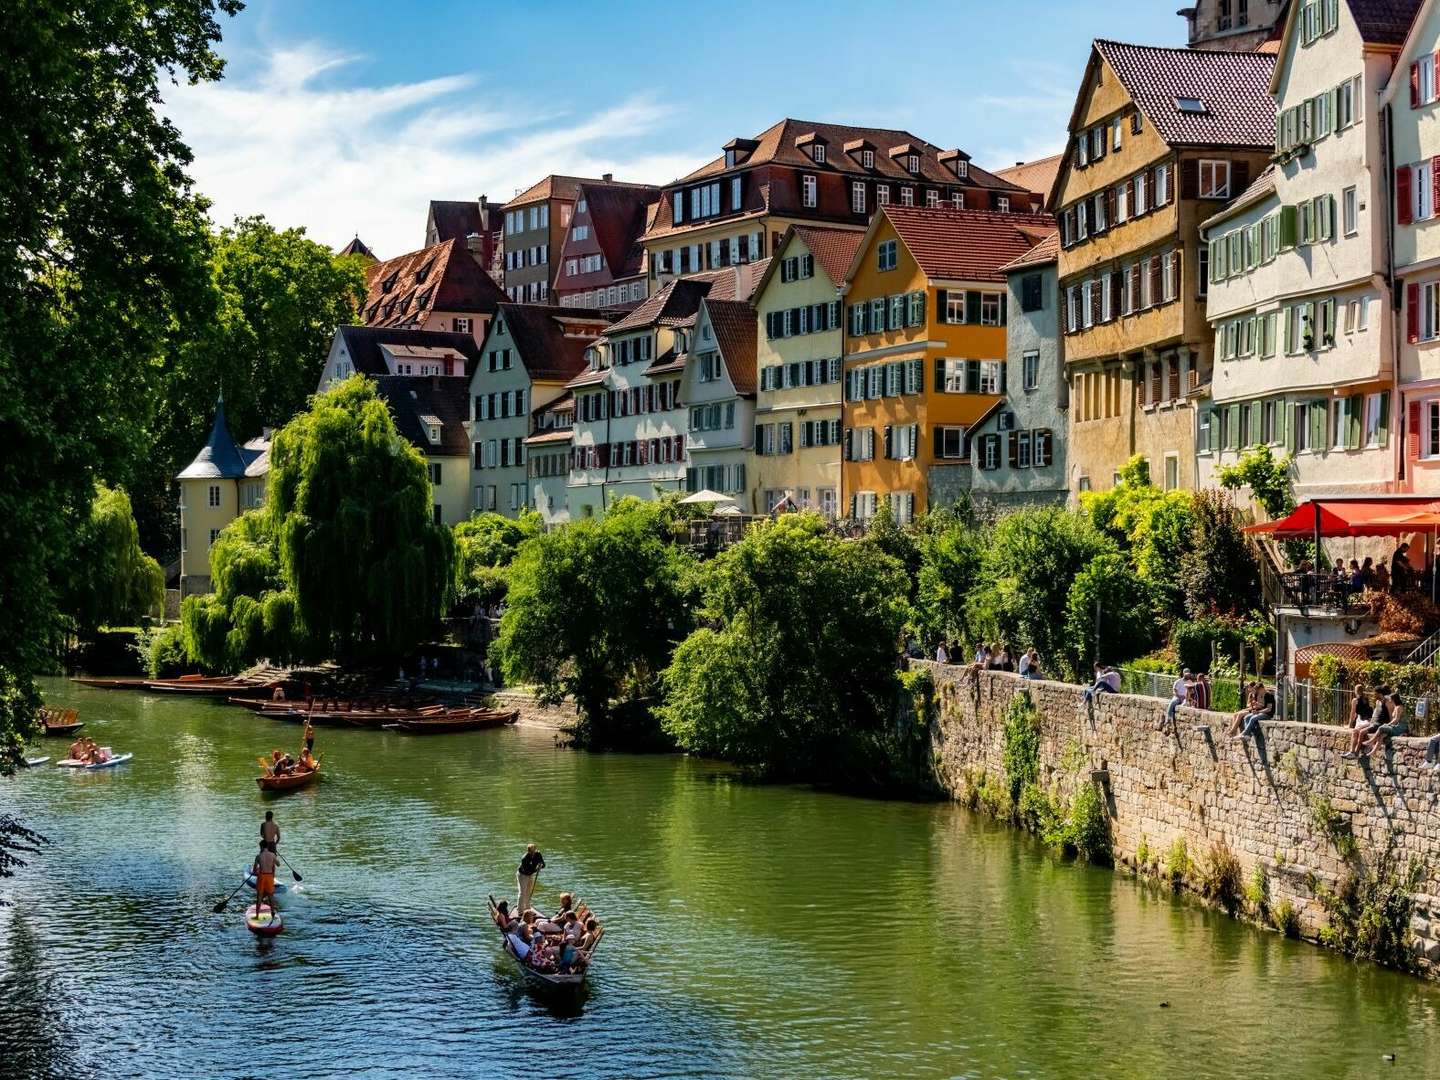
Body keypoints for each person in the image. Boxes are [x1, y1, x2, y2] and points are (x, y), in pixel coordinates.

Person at [1362, 693, 1407, 757]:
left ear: (1394, 699)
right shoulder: (1395, 707)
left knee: (1381, 728)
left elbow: (1396, 720)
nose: (1389, 700)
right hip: (1396, 726)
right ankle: (1373, 752)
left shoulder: (1399, 707)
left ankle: (1371, 741)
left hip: (1400, 728)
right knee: (1382, 736)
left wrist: (1388, 724)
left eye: (1390, 699)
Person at [1340, 683, 1376, 759]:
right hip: (1368, 721)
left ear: (1355, 691)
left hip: (1364, 721)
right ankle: (1354, 752)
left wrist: (1350, 725)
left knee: (1355, 731)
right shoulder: (1366, 699)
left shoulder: (1355, 700)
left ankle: (1352, 752)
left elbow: (1352, 714)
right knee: (1357, 731)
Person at [252, 841, 278, 922]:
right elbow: (278, 864)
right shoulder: (273, 855)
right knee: (271, 896)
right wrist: (273, 860)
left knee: (259, 896)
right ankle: (273, 914)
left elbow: (254, 870)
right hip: (270, 876)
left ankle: (257, 916)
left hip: (262, 876)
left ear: (261, 847)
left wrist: (258, 869)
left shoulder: (258, 856)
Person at [517, 844, 545, 914]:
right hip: (522, 875)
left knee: (528, 892)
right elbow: (527, 870)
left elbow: (543, 864)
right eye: (532, 851)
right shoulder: (524, 858)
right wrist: (536, 869)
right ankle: (520, 911)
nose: (533, 853)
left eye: (534, 850)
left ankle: (527, 909)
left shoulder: (538, 854)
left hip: (530, 874)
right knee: (522, 892)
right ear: (529, 851)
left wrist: (541, 865)